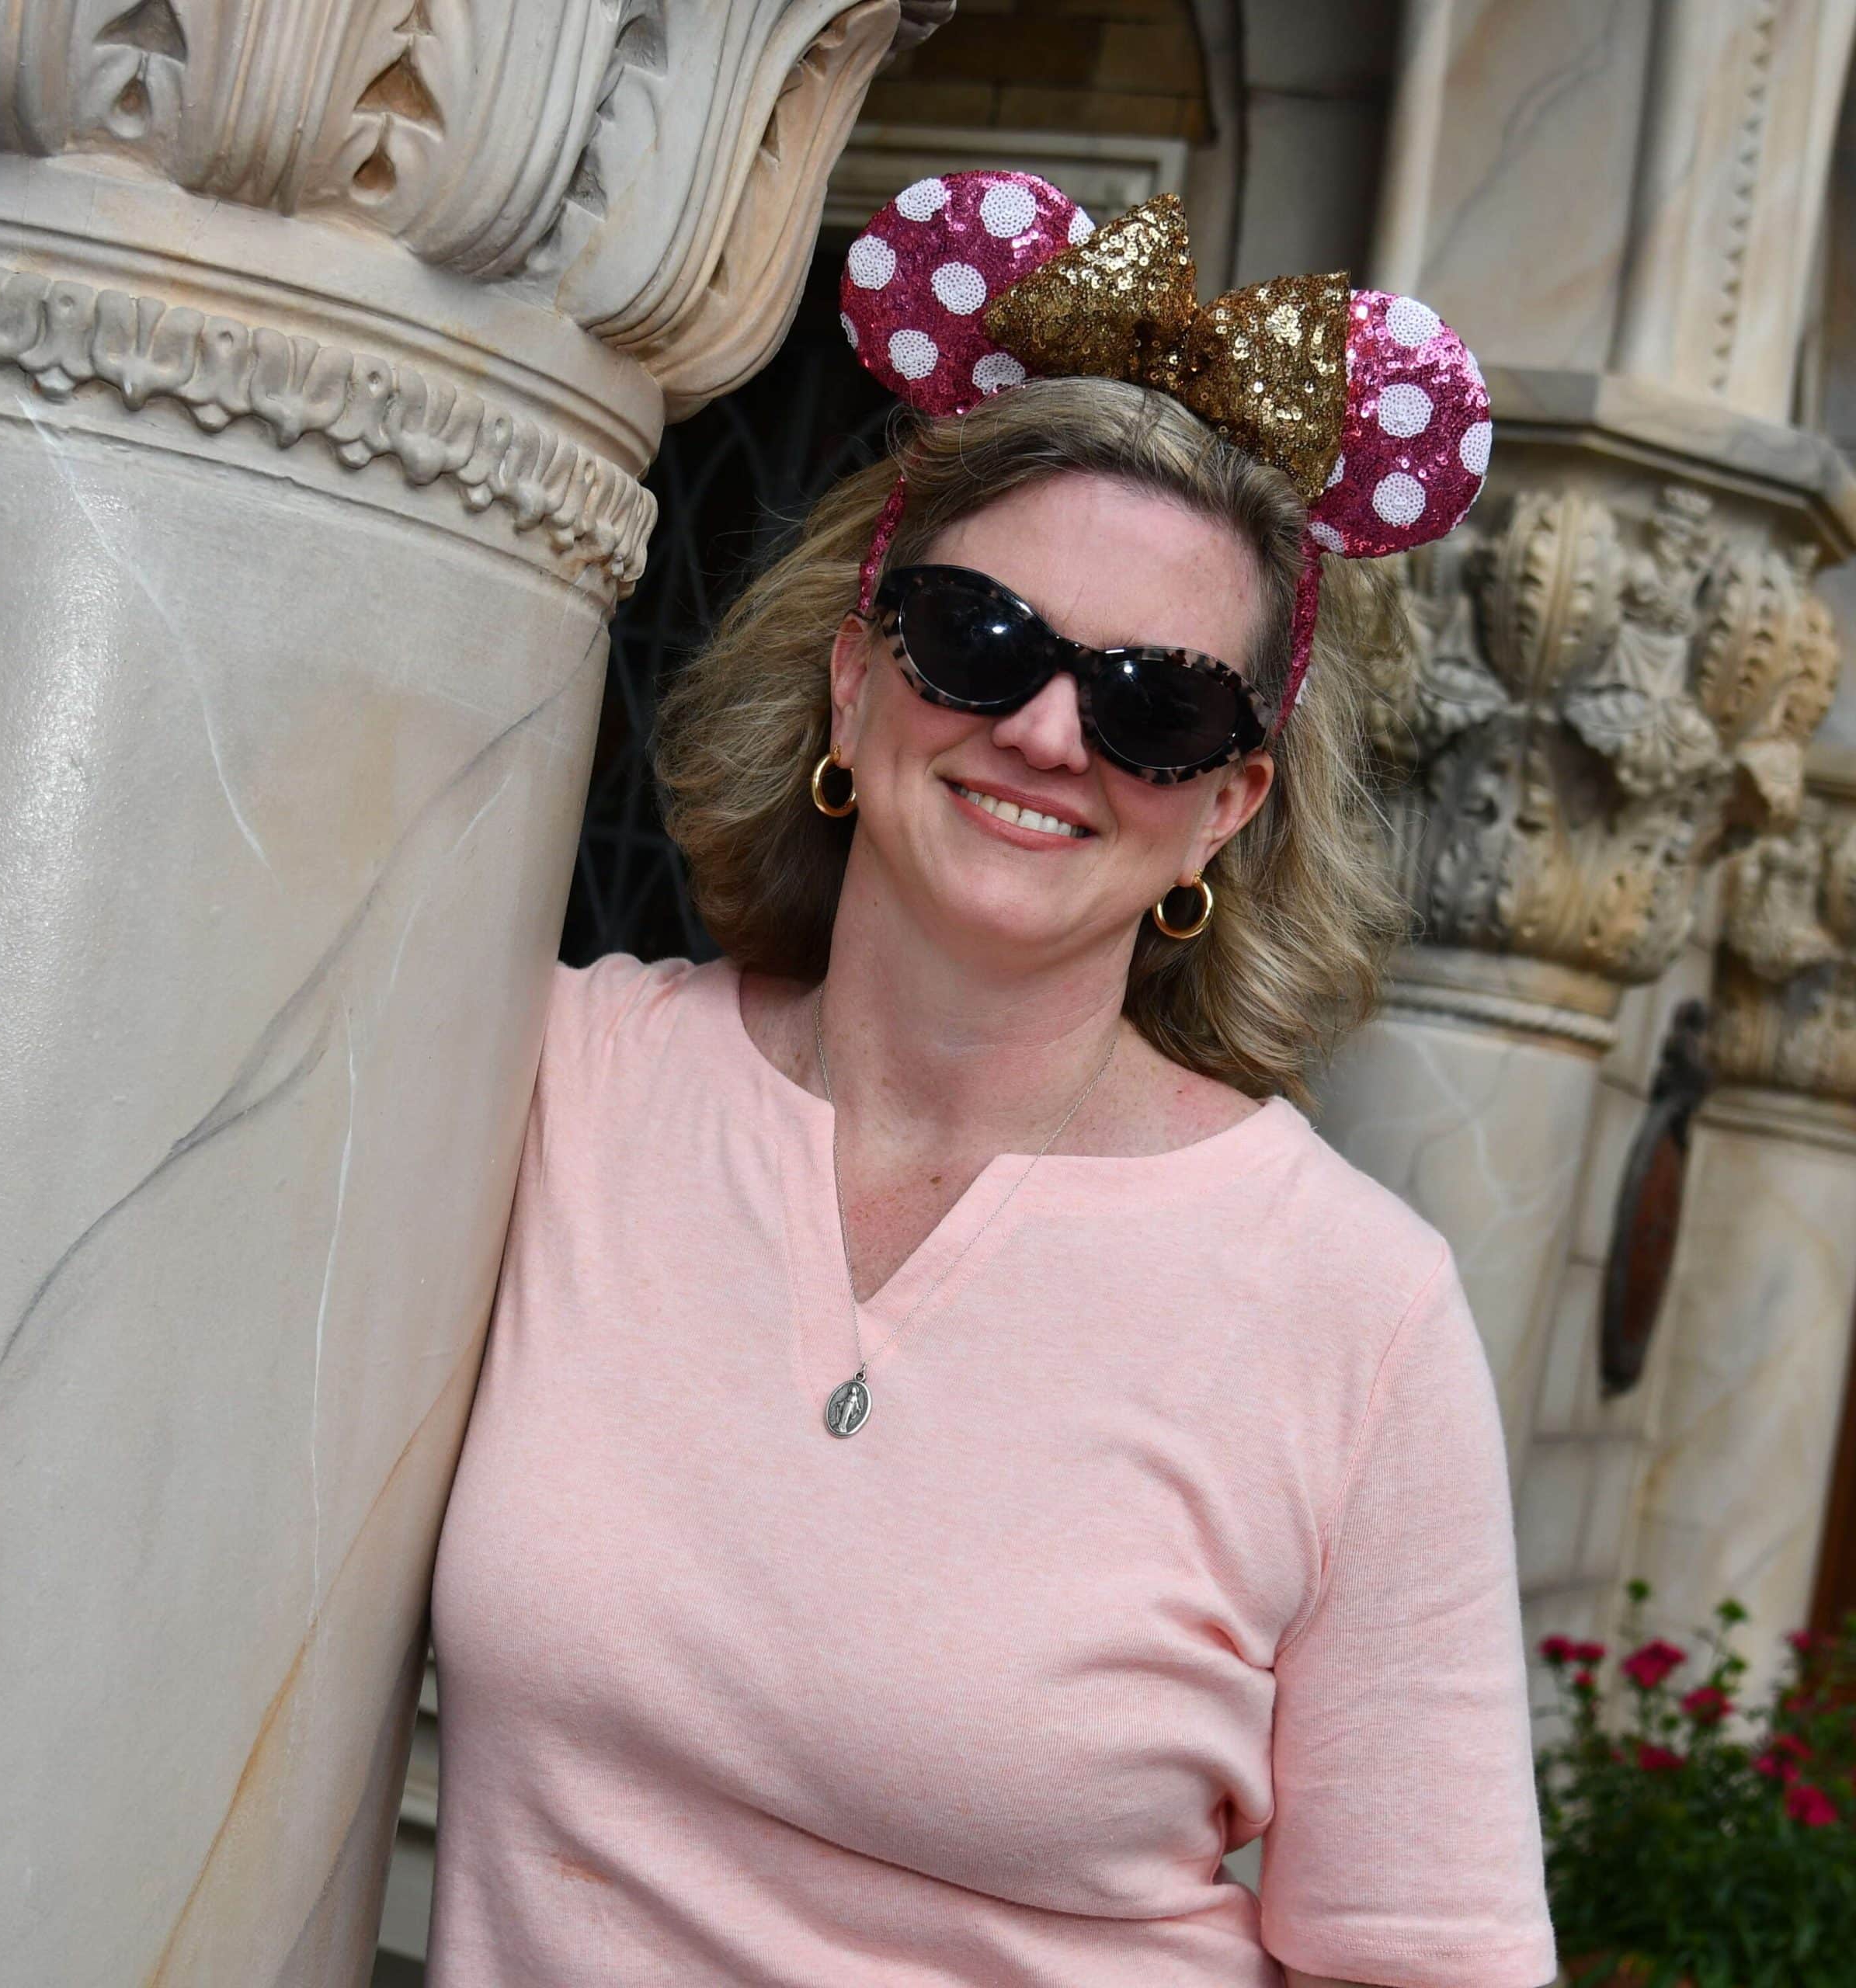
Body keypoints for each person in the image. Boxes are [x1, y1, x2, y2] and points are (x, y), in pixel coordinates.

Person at [424, 171, 1555, 1988]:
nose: (1044, 731)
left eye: (1157, 704)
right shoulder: (559, 1082)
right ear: (854, 676)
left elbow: (1421, 1962)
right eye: (980, 640)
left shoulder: (1356, 1309)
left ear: (1225, 806)